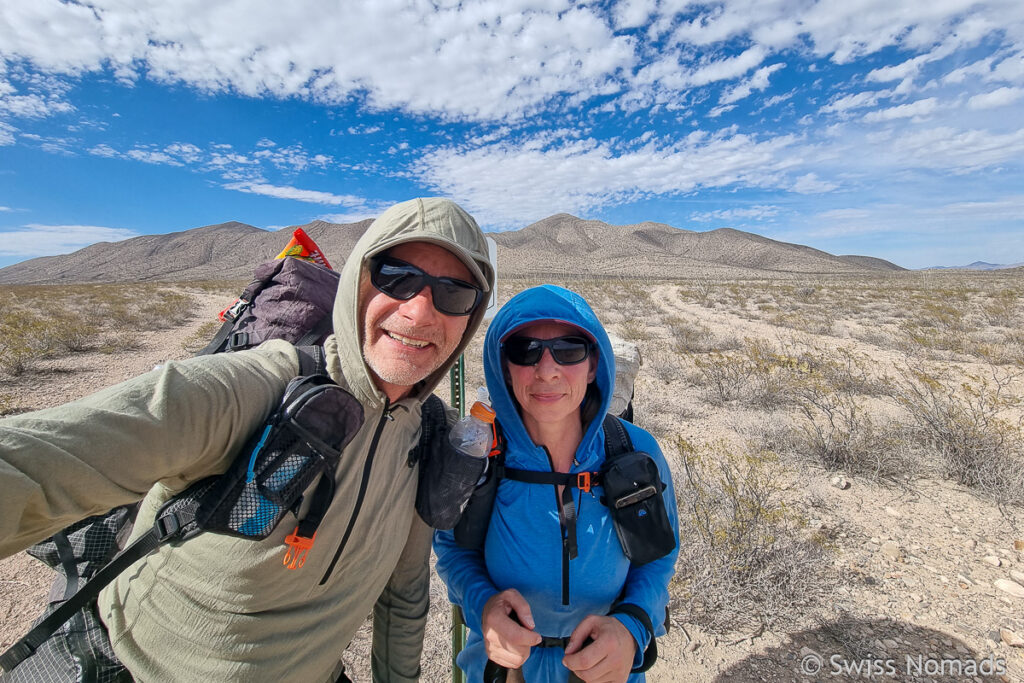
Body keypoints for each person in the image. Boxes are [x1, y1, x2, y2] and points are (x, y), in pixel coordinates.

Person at [0, 197, 495, 682]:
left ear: (470, 318)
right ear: (358, 284)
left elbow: (404, 593)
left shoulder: (429, 433)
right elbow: (33, 464)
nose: (420, 312)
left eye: (453, 292)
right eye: (397, 277)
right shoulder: (260, 387)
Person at [434, 285, 679, 683]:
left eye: (568, 350)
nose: (546, 371)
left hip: (605, 670)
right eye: (524, 351)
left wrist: (632, 627)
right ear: (503, 367)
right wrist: (484, 608)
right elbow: (452, 551)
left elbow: (657, 557)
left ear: (594, 364)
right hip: (499, 669)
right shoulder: (482, 454)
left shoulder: (633, 451)